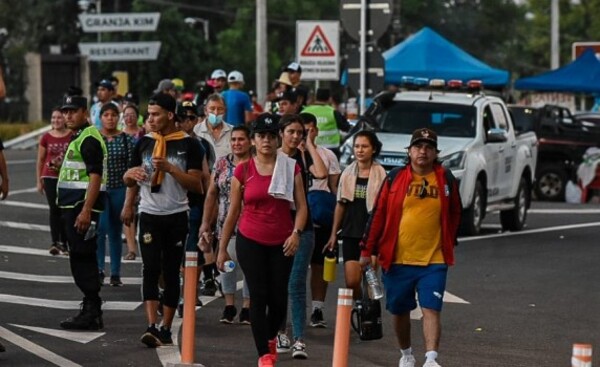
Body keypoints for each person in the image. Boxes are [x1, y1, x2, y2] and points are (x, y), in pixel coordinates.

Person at [360, 128, 462, 367]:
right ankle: (406, 354)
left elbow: (456, 211)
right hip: (397, 259)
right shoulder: (394, 178)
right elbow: (378, 215)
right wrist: (367, 250)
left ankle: (431, 358)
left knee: (431, 308)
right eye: (418, 147)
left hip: (434, 260)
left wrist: (448, 238)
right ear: (409, 151)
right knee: (399, 310)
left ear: (436, 153)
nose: (423, 151)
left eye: (428, 147)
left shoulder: (446, 179)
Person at [216, 113, 307, 367]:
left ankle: (270, 338)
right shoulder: (243, 170)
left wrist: (296, 233)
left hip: (283, 241)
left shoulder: (291, 167)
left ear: (278, 139)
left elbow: (301, 207)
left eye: (270, 136)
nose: (266, 140)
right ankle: (264, 354)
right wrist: (222, 249)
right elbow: (233, 211)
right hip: (250, 239)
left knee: (278, 299)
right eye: (261, 136)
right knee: (258, 295)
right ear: (254, 141)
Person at [122, 93, 203, 348]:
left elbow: (197, 185)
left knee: (170, 271)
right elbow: (131, 179)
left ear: (170, 115)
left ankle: (166, 327)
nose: (151, 119)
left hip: (176, 215)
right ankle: (150, 325)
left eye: (156, 114)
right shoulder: (143, 142)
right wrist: (128, 183)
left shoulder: (189, 145)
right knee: (150, 268)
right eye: (149, 114)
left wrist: (171, 169)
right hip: (148, 214)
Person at [275, 114, 327, 359]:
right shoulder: (271, 156)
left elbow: (321, 173)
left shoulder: (304, 156)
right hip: (275, 225)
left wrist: (309, 146)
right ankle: (279, 333)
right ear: (281, 133)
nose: (295, 137)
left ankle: (298, 339)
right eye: (291, 132)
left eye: (300, 132)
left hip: (302, 226)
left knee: (295, 283)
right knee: (277, 283)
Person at [57, 95, 107, 330]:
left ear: (85, 112)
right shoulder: (79, 136)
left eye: (73, 111)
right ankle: (90, 307)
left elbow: (95, 175)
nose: (68, 116)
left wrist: (86, 210)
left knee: (83, 257)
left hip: (81, 208)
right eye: (65, 111)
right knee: (79, 256)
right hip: (74, 207)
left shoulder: (89, 138)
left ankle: (92, 311)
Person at [198, 125, 252, 324]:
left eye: (241, 139)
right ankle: (229, 305)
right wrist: (206, 222)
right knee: (226, 264)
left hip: (249, 223)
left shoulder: (256, 164)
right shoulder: (222, 163)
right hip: (224, 222)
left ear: (250, 141)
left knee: (249, 267)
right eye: (234, 140)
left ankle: (247, 307)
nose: (237, 143)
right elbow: (212, 193)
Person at [325, 131, 386, 301]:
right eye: (357, 146)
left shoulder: (381, 174)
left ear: (373, 149)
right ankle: (360, 308)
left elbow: (385, 208)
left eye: (364, 146)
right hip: (351, 232)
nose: (360, 150)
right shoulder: (348, 173)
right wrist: (333, 234)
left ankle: (371, 316)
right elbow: (340, 205)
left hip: (373, 234)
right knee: (352, 281)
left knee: (370, 281)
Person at [299, 113, 341, 329]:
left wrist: (337, 221)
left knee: (318, 265)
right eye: (300, 131)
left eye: (308, 131)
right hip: (297, 216)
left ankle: (317, 308)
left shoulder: (327, 155)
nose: (304, 135)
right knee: (295, 267)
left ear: (315, 131)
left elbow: (333, 187)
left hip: (321, 218)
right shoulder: (288, 155)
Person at [192, 93, 233, 296]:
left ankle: (219, 271)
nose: (215, 113)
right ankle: (208, 275)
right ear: (205, 110)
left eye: (219, 109)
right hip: (204, 188)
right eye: (212, 109)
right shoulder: (196, 132)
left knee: (222, 232)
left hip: (227, 190)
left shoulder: (232, 133)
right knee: (205, 229)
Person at [96, 103, 134, 287]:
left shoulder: (126, 140)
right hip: (100, 189)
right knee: (100, 228)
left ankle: (116, 273)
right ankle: (99, 269)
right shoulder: (95, 138)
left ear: (118, 117)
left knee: (115, 231)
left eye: (113, 115)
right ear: (101, 117)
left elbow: (133, 166)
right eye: (106, 115)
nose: (110, 118)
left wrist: (132, 196)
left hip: (120, 188)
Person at [36, 107, 72, 255]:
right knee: (54, 209)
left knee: (66, 210)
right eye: (53, 118)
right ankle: (54, 242)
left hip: (67, 177)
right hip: (50, 176)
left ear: (64, 119)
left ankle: (65, 242)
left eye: (58, 117)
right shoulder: (46, 137)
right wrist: (39, 180)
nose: (55, 121)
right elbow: (40, 159)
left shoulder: (72, 136)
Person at [121, 104, 144, 261]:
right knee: (128, 211)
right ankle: (131, 248)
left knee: (142, 212)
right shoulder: (120, 135)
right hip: (126, 177)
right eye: (126, 115)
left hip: (142, 176)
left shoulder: (144, 134)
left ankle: (143, 243)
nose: (129, 118)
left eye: (132, 115)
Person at [302, 88, 351, 157]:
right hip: (331, 149)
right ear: (329, 98)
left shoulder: (305, 111)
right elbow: (345, 127)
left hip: (310, 148)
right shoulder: (333, 112)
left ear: (316, 97)